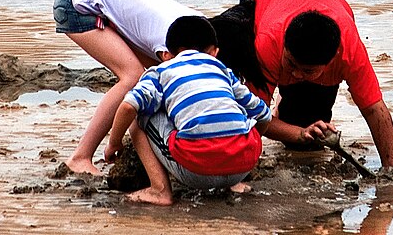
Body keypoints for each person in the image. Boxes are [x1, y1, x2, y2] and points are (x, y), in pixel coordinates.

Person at [210, 0, 393, 171]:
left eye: (307, 71)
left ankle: (283, 103)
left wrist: (392, 168)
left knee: (308, 141)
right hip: (263, 7)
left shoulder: (349, 54)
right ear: (284, 46)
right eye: (290, 64)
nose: (295, 74)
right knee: (215, 52)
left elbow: (374, 109)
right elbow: (255, 116)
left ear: (330, 63)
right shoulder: (269, 43)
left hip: (330, 12)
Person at [104, 16, 272, 205]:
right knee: (230, 106)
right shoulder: (222, 70)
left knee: (139, 113)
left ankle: (160, 190)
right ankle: (234, 181)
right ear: (215, 52)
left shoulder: (161, 71)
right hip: (242, 166)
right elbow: (264, 114)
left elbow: (128, 106)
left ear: (167, 53)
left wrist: (114, 143)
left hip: (196, 173)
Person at [53, 0, 203, 175]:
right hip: (78, 4)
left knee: (149, 78)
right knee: (132, 77)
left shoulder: (197, 29)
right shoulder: (169, 43)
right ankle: (80, 158)